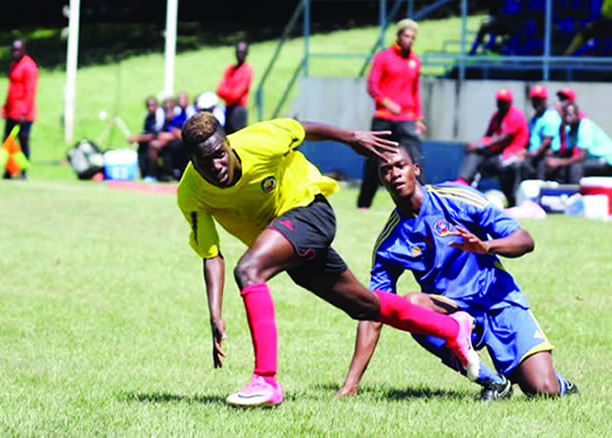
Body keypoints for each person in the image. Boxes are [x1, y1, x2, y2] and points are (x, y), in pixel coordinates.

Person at [177, 112, 481, 408]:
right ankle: (452, 329)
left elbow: (301, 129)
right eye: (204, 161)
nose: (215, 165)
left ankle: (265, 381)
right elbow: (211, 254)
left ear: (228, 143)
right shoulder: (191, 193)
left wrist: (351, 138)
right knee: (365, 306)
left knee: (249, 270)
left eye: (219, 154)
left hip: (309, 211)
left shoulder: (260, 139)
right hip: (287, 243)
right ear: (192, 161)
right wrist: (215, 313)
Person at [336, 143, 578, 400]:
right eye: (386, 170)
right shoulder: (390, 242)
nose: (394, 174)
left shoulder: (455, 198)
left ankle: (555, 382)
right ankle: (493, 382)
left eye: (400, 166)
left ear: (415, 169)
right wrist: (351, 383)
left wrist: (486, 246)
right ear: (381, 179)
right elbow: (374, 310)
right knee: (410, 306)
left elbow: (524, 240)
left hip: (499, 300)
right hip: (454, 314)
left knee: (542, 390)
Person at [358, 18, 425, 210]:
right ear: (398, 36)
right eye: (406, 36)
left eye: (413, 37)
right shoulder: (383, 57)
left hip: (407, 119)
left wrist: (418, 118)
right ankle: (364, 204)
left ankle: (423, 201)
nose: (409, 40)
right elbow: (372, 85)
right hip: (384, 117)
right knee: (374, 160)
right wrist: (387, 102)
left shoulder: (415, 61)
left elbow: (415, 91)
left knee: (415, 158)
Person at [453, 88, 528, 207]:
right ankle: (462, 184)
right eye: (500, 101)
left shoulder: (515, 115)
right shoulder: (496, 116)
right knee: (474, 155)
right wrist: (476, 145)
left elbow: (503, 139)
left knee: (496, 161)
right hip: (497, 154)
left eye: (504, 101)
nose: (501, 104)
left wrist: (480, 145)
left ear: (510, 102)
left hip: (511, 154)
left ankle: (512, 202)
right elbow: (488, 136)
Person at [547, 103, 612, 178]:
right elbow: (565, 150)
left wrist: (558, 162)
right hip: (593, 160)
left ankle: (575, 189)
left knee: (576, 167)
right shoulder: (570, 130)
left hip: (608, 161)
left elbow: (581, 157)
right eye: (565, 115)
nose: (568, 118)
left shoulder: (585, 126)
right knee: (561, 166)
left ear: (577, 115)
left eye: (570, 115)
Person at [1, 38, 38, 180]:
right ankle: (9, 170)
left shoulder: (29, 67)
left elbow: (30, 92)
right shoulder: (13, 65)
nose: (15, 53)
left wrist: (24, 112)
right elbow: (11, 89)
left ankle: (23, 171)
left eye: (18, 50)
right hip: (12, 111)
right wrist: (5, 108)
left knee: (23, 142)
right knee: (8, 141)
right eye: (13, 50)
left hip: (24, 114)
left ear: (24, 50)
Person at [522, 84, 563, 181]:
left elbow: (546, 143)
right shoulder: (534, 119)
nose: (537, 103)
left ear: (545, 100)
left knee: (539, 164)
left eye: (540, 99)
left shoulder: (550, 116)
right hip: (534, 155)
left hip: (547, 155)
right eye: (535, 99)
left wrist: (531, 154)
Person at [216, 41, 253, 134]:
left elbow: (236, 94)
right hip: (228, 109)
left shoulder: (247, 70)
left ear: (246, 53)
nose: (239, 55)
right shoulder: (230, 69)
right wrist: (229, 92)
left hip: (238, 110)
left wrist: (227, 92)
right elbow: (219, 89)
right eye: (238, 52)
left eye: (242, 52)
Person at [128, 96, 165, 182]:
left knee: (152, 145)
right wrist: (139, 138)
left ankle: (153, 174)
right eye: (148, 106)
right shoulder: (148, 116)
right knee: (142, 145)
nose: (150, 108)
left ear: (157, 105)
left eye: (152, 105)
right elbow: (146, 132)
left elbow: (155, 134)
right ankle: (144, 173)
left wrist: (137, 138)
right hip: (152, 139)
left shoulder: (160, 114)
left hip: (163, 140)